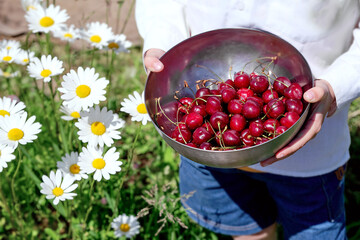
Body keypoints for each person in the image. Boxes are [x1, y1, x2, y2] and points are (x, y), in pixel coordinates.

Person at [135, 1, 360, 239]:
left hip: (311, 154)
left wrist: (336, 86)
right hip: (209, 155)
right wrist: (161, 41)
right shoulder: (202, 116)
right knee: (248, 232)